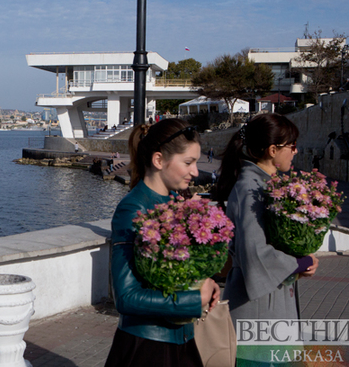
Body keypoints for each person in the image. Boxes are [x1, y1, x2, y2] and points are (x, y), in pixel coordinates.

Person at [104, 119, 221, 367]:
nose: (196, 172)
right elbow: (125, 297)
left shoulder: (176, 203)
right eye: (188, 162)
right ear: (158, 161)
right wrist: (192, 300)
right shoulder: (133, 208)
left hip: (183, 341)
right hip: (147, 347)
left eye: (196, 162)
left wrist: (204, 284)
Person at [216, 114, 319, 329]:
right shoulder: (250, 188)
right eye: (292, 146)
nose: (295, 151)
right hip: (258, 309)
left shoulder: (266, 185)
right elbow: (254, 252)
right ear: (273, 150)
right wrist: (300, 262)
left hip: (270, 300)